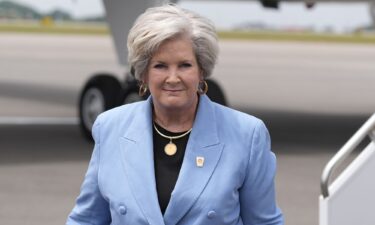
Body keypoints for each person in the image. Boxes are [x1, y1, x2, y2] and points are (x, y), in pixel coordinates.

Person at [66, 4, 283, 225]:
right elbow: (86, 219)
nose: (172, 78)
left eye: (184, 65)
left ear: (202, 71)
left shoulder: (248, 135)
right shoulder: (110, 127)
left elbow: (264, 222)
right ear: (143, 74)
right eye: (160, 66)